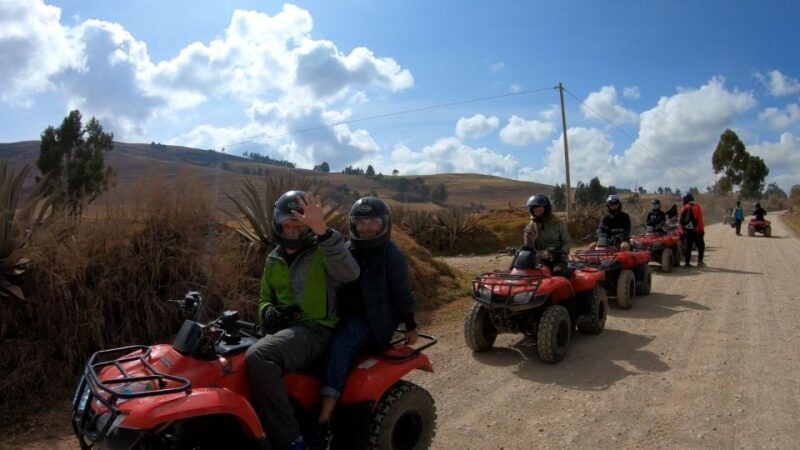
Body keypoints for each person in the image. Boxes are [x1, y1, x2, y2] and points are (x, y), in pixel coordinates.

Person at [245, 190, 360, 450]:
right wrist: (269, 313)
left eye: (299, 226)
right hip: (284, 331)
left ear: (308, 226)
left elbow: (350, 273)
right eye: (287, 225)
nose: (293, 232)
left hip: (317, 329)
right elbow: (264, 299)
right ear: (277, 224)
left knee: (260, 356)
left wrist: (323, 232)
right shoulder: (273, 259)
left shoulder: (322, 251)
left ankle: (291, 441)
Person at [310, 197, 418, 450]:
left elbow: (403, 293)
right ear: (353, 224)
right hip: (342, 313)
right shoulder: (348, 249)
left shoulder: (392, 255)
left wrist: (411, 325)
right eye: (361, 222)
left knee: (341, 346)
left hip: (373, 319)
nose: (367, 227)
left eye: (373, 222)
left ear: (384, 224)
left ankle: (324, 419)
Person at [523, 194, 572, 274]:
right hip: (539, 259)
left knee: (558, 272)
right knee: (524, 270)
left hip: (557, 259)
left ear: (546, 209)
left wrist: (560, 252)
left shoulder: (558, 223)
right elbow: (529, 248)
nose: (537, 213)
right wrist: (529, 240)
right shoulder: (531, 225)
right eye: (535, 211)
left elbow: (567, 242)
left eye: (539, 211)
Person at [679, 193, 705, 267]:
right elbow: (700, 220)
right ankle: (700, 261)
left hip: (687, 231)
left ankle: (687, 263)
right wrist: (701, 230)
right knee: (701, 246)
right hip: (697, 231)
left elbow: (680, 222)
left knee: (688, 247)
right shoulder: (697, 207)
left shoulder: (683, 208)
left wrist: (683, 230)